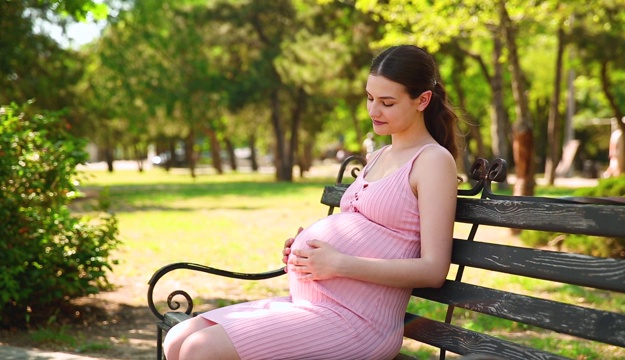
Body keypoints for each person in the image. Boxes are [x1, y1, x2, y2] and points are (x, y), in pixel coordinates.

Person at [163, 45, 461, 360]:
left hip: (358, 322)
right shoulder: (379, 156)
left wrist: (340, 262)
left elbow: (433, 269)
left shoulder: (432, 161)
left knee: (200, 350)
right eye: (370, 98)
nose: (374, 111)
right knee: (178, 339)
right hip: (312, 305)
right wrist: (305, 251)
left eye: (388, 102)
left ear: (422, 100)